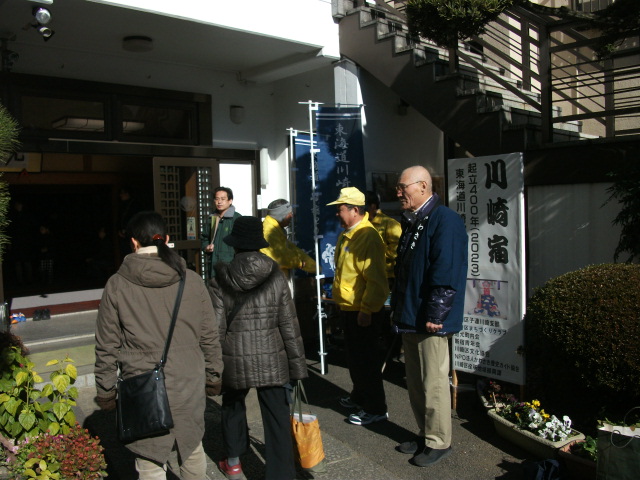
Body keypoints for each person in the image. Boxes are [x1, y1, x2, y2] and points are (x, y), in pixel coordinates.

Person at [94, 211, 223, 480]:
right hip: (188, 376)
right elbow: (209, 335)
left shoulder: (116, 285)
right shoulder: (192, 280)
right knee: (191, 448)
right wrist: (214, 375)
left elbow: (107, 344)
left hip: (141, 381)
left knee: (150, 457)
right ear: (166, 239)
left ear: (133, 243)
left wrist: (106, 391)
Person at [208, 216, 307, 480]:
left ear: (235, 245)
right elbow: (289, 323)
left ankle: (234, 463)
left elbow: (215, 330)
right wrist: (297, 367)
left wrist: (213, 370)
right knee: (276, 415)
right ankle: (281, 474)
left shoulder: (220, 279)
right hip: (272, 356)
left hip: (234, 356)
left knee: (232, 407)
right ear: (259, 244)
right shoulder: (275, 275)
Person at [391, 165, 468, 467]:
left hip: (429, 317)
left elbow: (445, 269)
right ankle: (425, 434)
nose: (398, 193)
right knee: (414, 380)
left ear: (422, 186)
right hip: (410, 313)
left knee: (433, 380)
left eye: (402, 187)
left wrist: (436, 312)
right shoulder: (415, 220)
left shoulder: (444, 219)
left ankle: (439, 441)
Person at [326, 187, 390, 425]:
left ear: (355, 210)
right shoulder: (348, 233)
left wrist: (366, 310)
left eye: (340, 209)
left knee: (366, 361)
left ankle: (376, 408)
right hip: (349, 307)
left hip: (362, 310)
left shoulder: (368, 236)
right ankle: (360, 395)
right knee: (355, 358)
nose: (337, 214)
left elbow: (376, 280)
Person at [260, 198, 316, 277]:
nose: (292, 216)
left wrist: (314, 266)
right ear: (281, 216)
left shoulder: (276, 229)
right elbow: (279, 258)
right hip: (272, 281)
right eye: (289, 213)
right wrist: (299, 263)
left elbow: (292, 249)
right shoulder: (268, 232)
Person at [364, 190, 402, 290]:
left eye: (363, 207)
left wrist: (375, 256)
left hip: (387, 277)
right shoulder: (362, 225)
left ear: (372, 207)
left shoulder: (390, 224)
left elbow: (397, 250)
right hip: (367, 276)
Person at [201, 186, 241, 279]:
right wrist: (206, 247)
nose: (219, 202)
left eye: (223, 199)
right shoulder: (212, 218)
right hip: (213, 264)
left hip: (230, 264)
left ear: (230, 201)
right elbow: (204, 238)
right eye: (217, 199)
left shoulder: (236, 219)